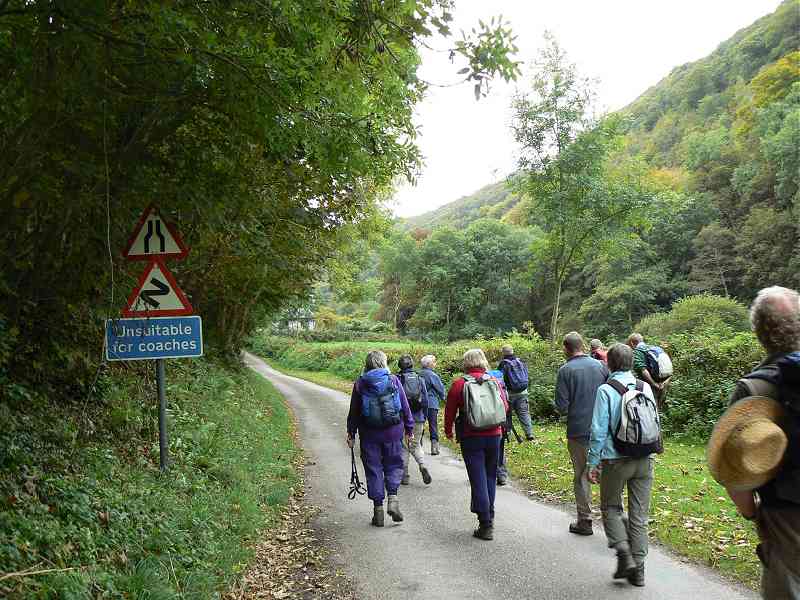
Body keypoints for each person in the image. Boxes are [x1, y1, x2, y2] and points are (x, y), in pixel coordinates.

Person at [708, 286, 800, 599]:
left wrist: (753, 514)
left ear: (758, 331)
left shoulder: (754, 390)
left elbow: (733, 474)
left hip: (787, 517)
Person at [587, 343, 656, 587]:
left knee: (611, 508)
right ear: (631, 363)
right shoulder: (645, 386)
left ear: (609, 363)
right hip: (645, 457)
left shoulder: (606, 390)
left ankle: (624, 553)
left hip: (615, 459)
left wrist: (593, 462)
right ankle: (639, 570)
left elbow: (598, 430)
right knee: (639, 515)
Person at [445, 348, 509, 540]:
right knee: (490, 475)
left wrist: (448, 431)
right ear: (483, 361)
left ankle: (485, 523)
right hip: (494, 435)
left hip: (471, 436)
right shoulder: (494, 381)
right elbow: (505, 406)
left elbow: (449, 410)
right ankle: (490, 515)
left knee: (477, 478)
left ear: (466, 363)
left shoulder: (459, 384)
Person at [347, 351, 414, 527]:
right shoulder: (393, 380)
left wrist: (351, 433)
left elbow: (354, 412)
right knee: (394, 465)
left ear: (367, 364)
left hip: (369, 435)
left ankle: (378, 512)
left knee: (373, 469)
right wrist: (409, 429)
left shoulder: (360, 383)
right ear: (384, 363)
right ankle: (393, 498)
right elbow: (405, 406)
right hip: (393, 432)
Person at [555, 332, 609, 536]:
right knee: (607, 475)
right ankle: (613, 521)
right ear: (583, 345)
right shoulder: (601, 366)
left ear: (566, 348)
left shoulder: (565, 370)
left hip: (578, 430)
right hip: (604, 429)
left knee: (581, 475)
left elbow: (562, 406)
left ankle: (585, 520)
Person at [397, 355, 433, 486]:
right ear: (412, 365)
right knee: (416, 445)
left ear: (400, 366)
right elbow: (425, 401)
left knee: (404, 447)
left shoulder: (397, 379)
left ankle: (404, 476)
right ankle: (422, 465)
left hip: (402, 419)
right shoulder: (419, 378)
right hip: (418, 418)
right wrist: (424, 417)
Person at [497, 345, 535, 440]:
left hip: (509, 394)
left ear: (503, 353)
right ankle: (529, 434)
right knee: (524, 413)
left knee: (507, 414)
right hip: (523, 392)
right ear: (512, 351)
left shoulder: (503, 364)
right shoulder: (520, 361)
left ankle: (508, 434)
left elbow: (500, 379)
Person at [627, 333, 671, 410]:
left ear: (632, 343)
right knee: (659, 408)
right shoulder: (655, 348)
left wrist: (654, 384)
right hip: (663, 383)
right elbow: (668, 368)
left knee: (651, 408)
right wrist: (664, 383)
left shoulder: (637, 351)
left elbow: (643, 369)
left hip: (650, 386)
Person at [419, 354, 446, 455]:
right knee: (433, 425)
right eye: (434, 362)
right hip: (431, 403)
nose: (435, 364)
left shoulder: (418, 374)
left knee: (420, 424)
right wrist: (444, 399)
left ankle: (419, 447)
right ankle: (434, 448)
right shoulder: (433, 375)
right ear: (430, 364)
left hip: (419, 403)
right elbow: (441, 390)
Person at [488, 368, 510, 486]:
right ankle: (501, 475)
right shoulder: (501, 386)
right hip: (500, 424)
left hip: (482, 424)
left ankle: (487, 475)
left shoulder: (478, 383)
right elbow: (506, 406)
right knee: (500, 449)